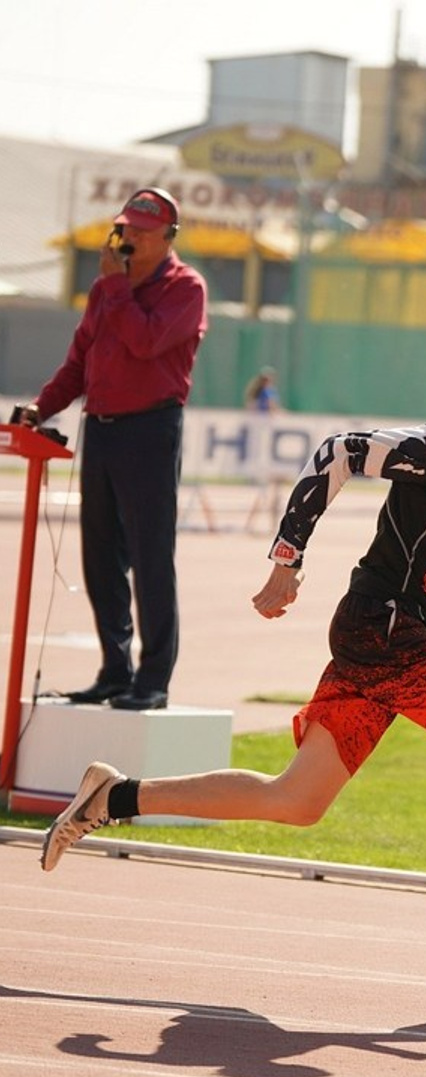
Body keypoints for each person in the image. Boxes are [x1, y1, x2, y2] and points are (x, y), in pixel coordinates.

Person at [39, 319, 426, 992]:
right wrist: (286, 561)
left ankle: (113, 795)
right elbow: (340, 452)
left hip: (389, 643)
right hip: (384, 634)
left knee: (295, 801)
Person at [17, 188, 208, 712]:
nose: (129, 237)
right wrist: (42, 408)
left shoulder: (185, 288)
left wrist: (116, 288)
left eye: (143, 230)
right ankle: (114, 670)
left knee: (150, 558)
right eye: (126, 228)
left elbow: (146, 342)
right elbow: (79, 361)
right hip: (99, 431)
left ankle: (153, 679)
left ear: (169, 237)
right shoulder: (108, 290)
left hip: (150, 430)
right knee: (99, 556)